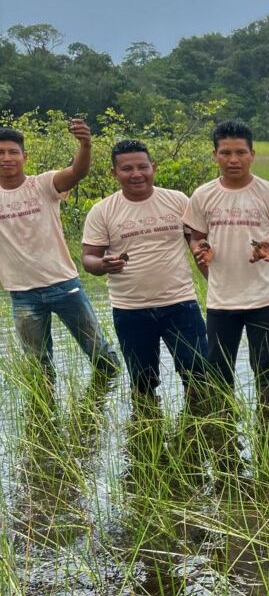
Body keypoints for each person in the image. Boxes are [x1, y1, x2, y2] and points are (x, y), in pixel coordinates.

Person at [182, 120, 269, 461]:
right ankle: (223, 433)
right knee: (220, 369)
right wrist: (202, 252)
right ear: (215, 155)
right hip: (221, 300)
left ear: (252, 154)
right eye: (226, 152)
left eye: (240, 152)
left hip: (263, 297)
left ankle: (267, 429)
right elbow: (195, 236)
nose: (234, 159)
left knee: (264, 365)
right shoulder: (203, 196)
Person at [81, 140, 207, 418]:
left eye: (142, 166)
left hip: (181, 304)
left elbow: (196, 241)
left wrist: (208, 259)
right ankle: (146, 433)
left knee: (198, 373)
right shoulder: (102, 211)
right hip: (130, 310)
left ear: (154, 168)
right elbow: (89, 258)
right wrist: (102, 264)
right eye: (127, 168)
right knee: (143, 381)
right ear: (114, 173)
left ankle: (197, 434)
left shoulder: (177, 200)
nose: (136, 173)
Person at [0, 122, 119, 396]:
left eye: (12, 152)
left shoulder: (43, 184)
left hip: (65, 286)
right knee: (39, 367)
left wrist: (86, 145)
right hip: (22, 294)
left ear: (24, 157)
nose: (6, 158)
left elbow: (78, 172)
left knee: (100, 353)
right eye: (1, 152)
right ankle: (47, 429)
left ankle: (109, 406)